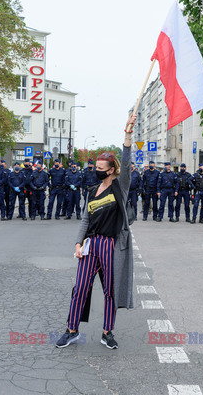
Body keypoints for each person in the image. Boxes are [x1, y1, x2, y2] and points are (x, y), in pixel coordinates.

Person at [55, 114, 135, 350]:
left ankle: (107, 333)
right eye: (96, 168)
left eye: (101, 169)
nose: (96, 171)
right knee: (80, 288)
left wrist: (127, 136)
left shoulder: (121, 187)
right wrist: (78, 243)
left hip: (111, 246)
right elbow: (85, 220)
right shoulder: (91, 191)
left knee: (110, 291)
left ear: (111, 170)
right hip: (91, 245)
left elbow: (127, 162)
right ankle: (71, 330)